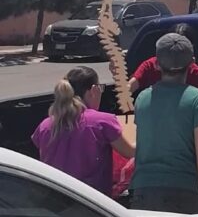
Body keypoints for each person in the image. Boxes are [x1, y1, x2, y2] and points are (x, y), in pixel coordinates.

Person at [131, 33, 198, 214]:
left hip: (142, 192)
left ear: (156, 64)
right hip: (182, 192)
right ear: (192, 63)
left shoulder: (142, 98)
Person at [32, 66, 135, 196]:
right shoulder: (102, 122)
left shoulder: (44, 126)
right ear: (93, 90)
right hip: (91, 201)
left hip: (55, 200)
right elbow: (130, 152)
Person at [129, 24, 198, 94]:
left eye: (182, 49)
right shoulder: (149, 66)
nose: (176, 53)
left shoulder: (196, 73)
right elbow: (129, 88)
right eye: (172, 47)